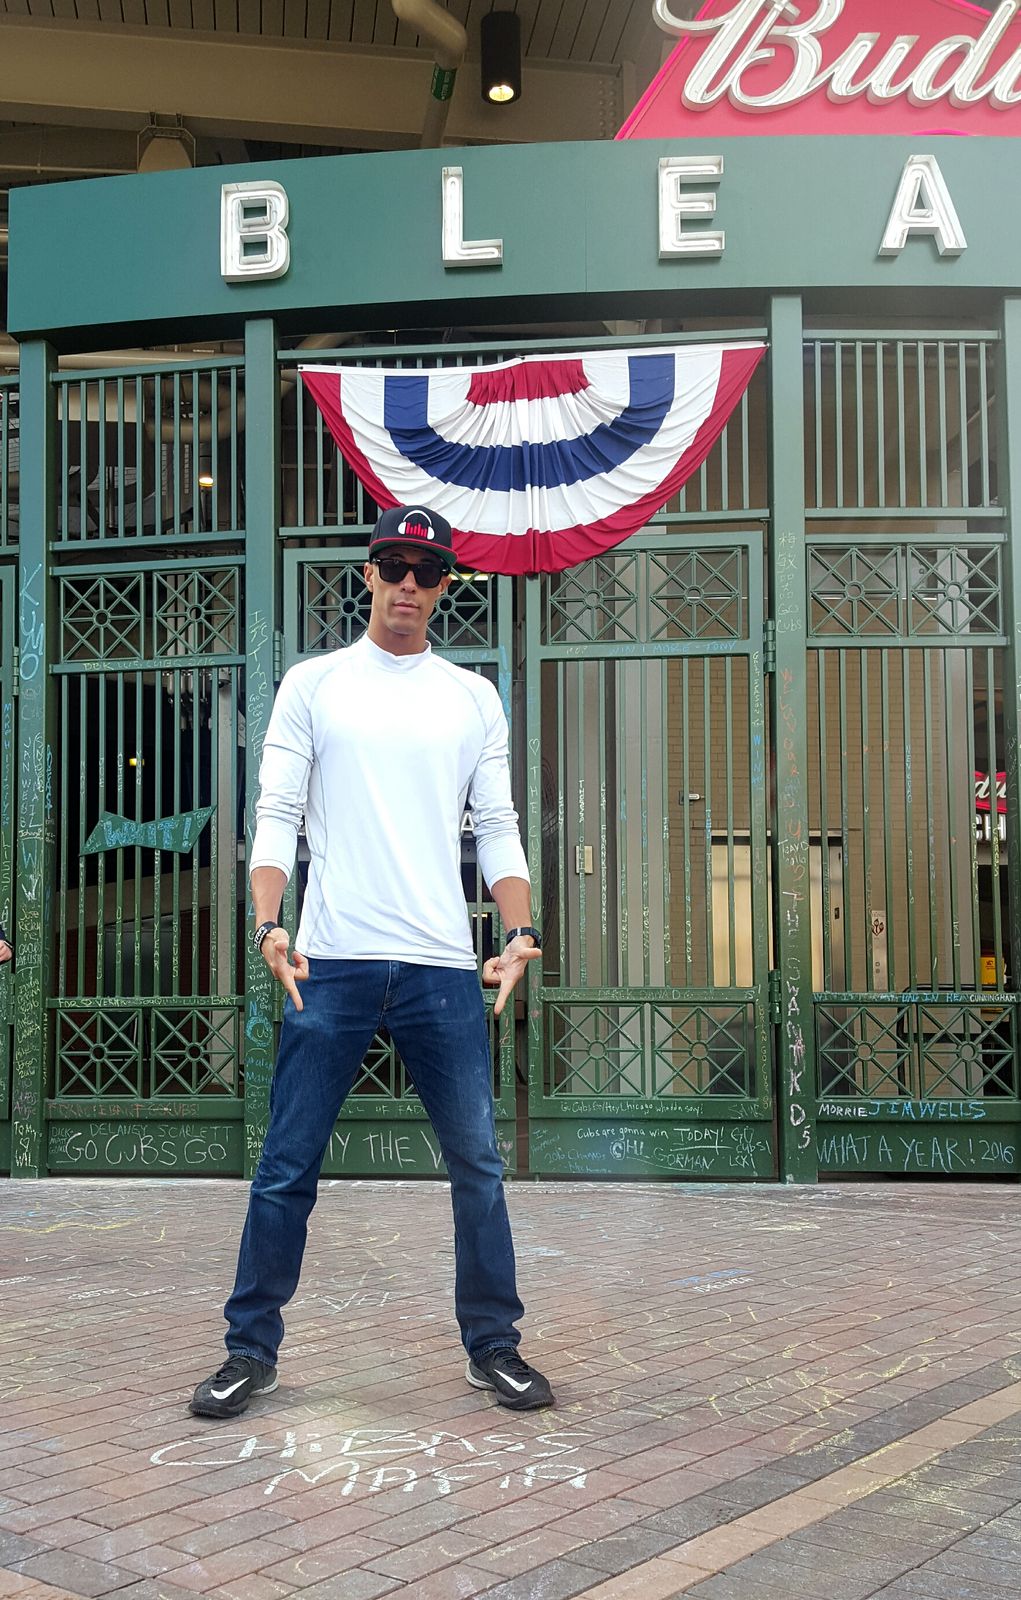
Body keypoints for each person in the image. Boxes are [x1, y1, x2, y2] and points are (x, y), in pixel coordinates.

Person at [190, 504, 552, 1420]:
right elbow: (276, 812)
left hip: (439, 965)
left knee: (477, 1164)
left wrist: (517, 934)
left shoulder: (471, 697)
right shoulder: (314, 685)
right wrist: (267, 924)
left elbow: (496, 825)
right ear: (368, 574)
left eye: (425, 571)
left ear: (444, 585)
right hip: (333, 960)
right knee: (286, 1164)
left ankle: (494, 1345)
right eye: (392, 565)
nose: (407, 584)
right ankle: (248, 1351)